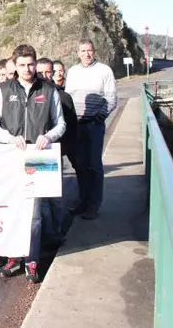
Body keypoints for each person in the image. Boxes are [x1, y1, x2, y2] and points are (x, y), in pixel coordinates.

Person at [0, 45, 66, 283]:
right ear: (15, 65)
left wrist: (50, 136)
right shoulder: (3, 89)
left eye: (31, 64)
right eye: (22, 64)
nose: (27, 69)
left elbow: (60, 124)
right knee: (12, 208)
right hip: (12, 156)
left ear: (36, 64)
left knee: (35, 214)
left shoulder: (49, 89)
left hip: (39, 157)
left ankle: (32, 260)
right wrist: (9, 138)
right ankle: (13, 256)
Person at [65, 39, 117, 220]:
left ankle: (94, 206)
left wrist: (99, 118)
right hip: (76, 126)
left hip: (94, 125)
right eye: (83, 51)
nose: (86, 54)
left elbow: (111, 99)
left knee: (94, 165)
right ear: (77, 53)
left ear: (94, 51)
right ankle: (83, 202)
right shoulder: (72, 72)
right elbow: (68, 98)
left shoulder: (104, 71)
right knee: (80, 166)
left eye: (89, 50)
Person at [37, 57, 76, 245]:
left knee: (55, 199)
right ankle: (48, 234)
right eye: (41, 72)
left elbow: (70, 129)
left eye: (48, 72)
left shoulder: (62, 97)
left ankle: (57, 231)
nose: (45, 76)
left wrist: (62, 151)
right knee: (41, 200)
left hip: (54, 155)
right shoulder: (31, 95)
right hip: (36, 155)